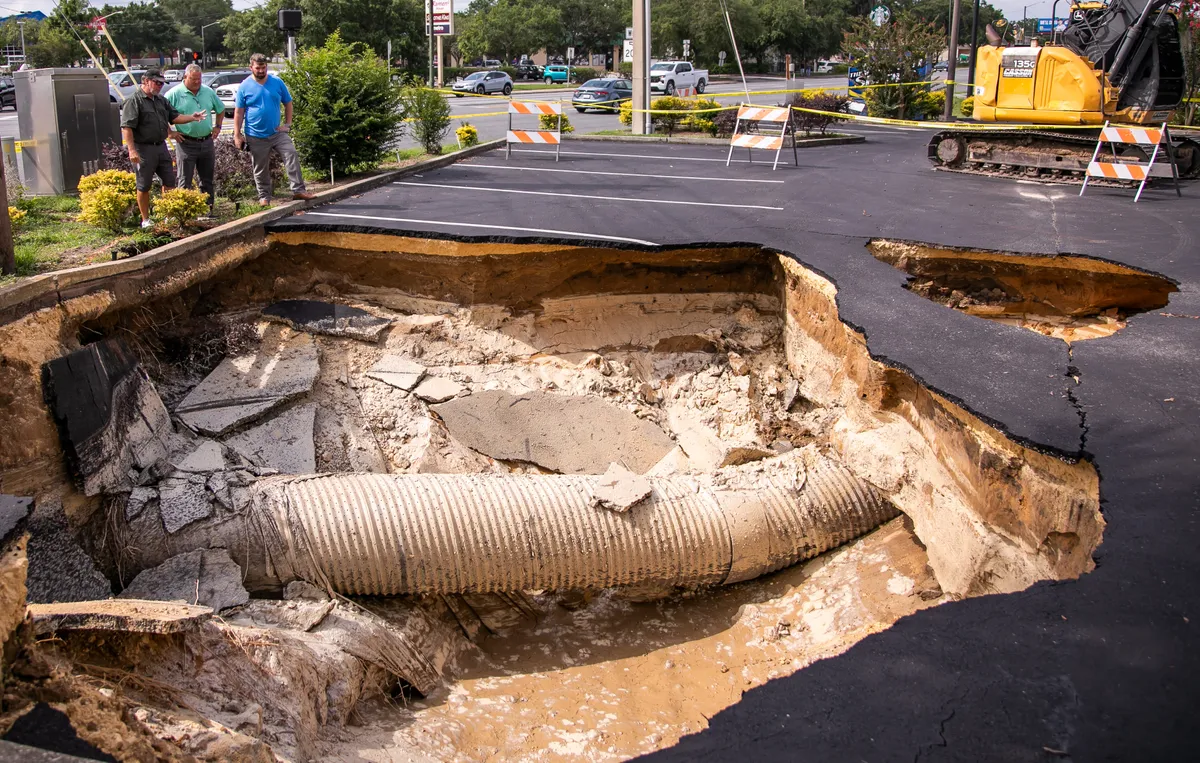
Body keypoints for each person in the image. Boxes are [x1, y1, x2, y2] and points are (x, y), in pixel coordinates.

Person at [121, 68, 209, 228]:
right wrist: (131, 150)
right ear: (146, 81)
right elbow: (127, 127)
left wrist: (192, 117)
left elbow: (174, 117)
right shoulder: (134, 101)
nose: (160, 86)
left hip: (160, 147)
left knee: (169, 181)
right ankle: (145, 220)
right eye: (157, 82)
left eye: (162, 83)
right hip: (143, 149)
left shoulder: (161, 100)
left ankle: (168, 215)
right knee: (144, 185)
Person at [233, 53, 313, 206]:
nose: (261, 71)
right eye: (258, 68)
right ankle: (264, 197)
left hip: (277, 133)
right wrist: (237, 135)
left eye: (263, 67)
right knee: (260, 167)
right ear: (251, 68)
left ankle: (298, 191)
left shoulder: (277, 82)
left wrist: (287, 125)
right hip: (255, 135)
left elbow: (288, 103)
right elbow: (239, 112)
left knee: (291, 154)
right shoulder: (244, 86)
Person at [165, 64, 224, 213]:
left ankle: (207, 209)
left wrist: (218, 126)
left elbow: (221, 109)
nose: (197, 82)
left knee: (207, 179)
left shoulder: (208, 91)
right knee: (185, 179)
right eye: (193, 79)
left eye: (199, 79)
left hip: (206, 142)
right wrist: (170, 133)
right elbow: (161, 115)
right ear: (185, 77)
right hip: (186, 143)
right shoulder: (174, 94)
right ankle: (184, 211)